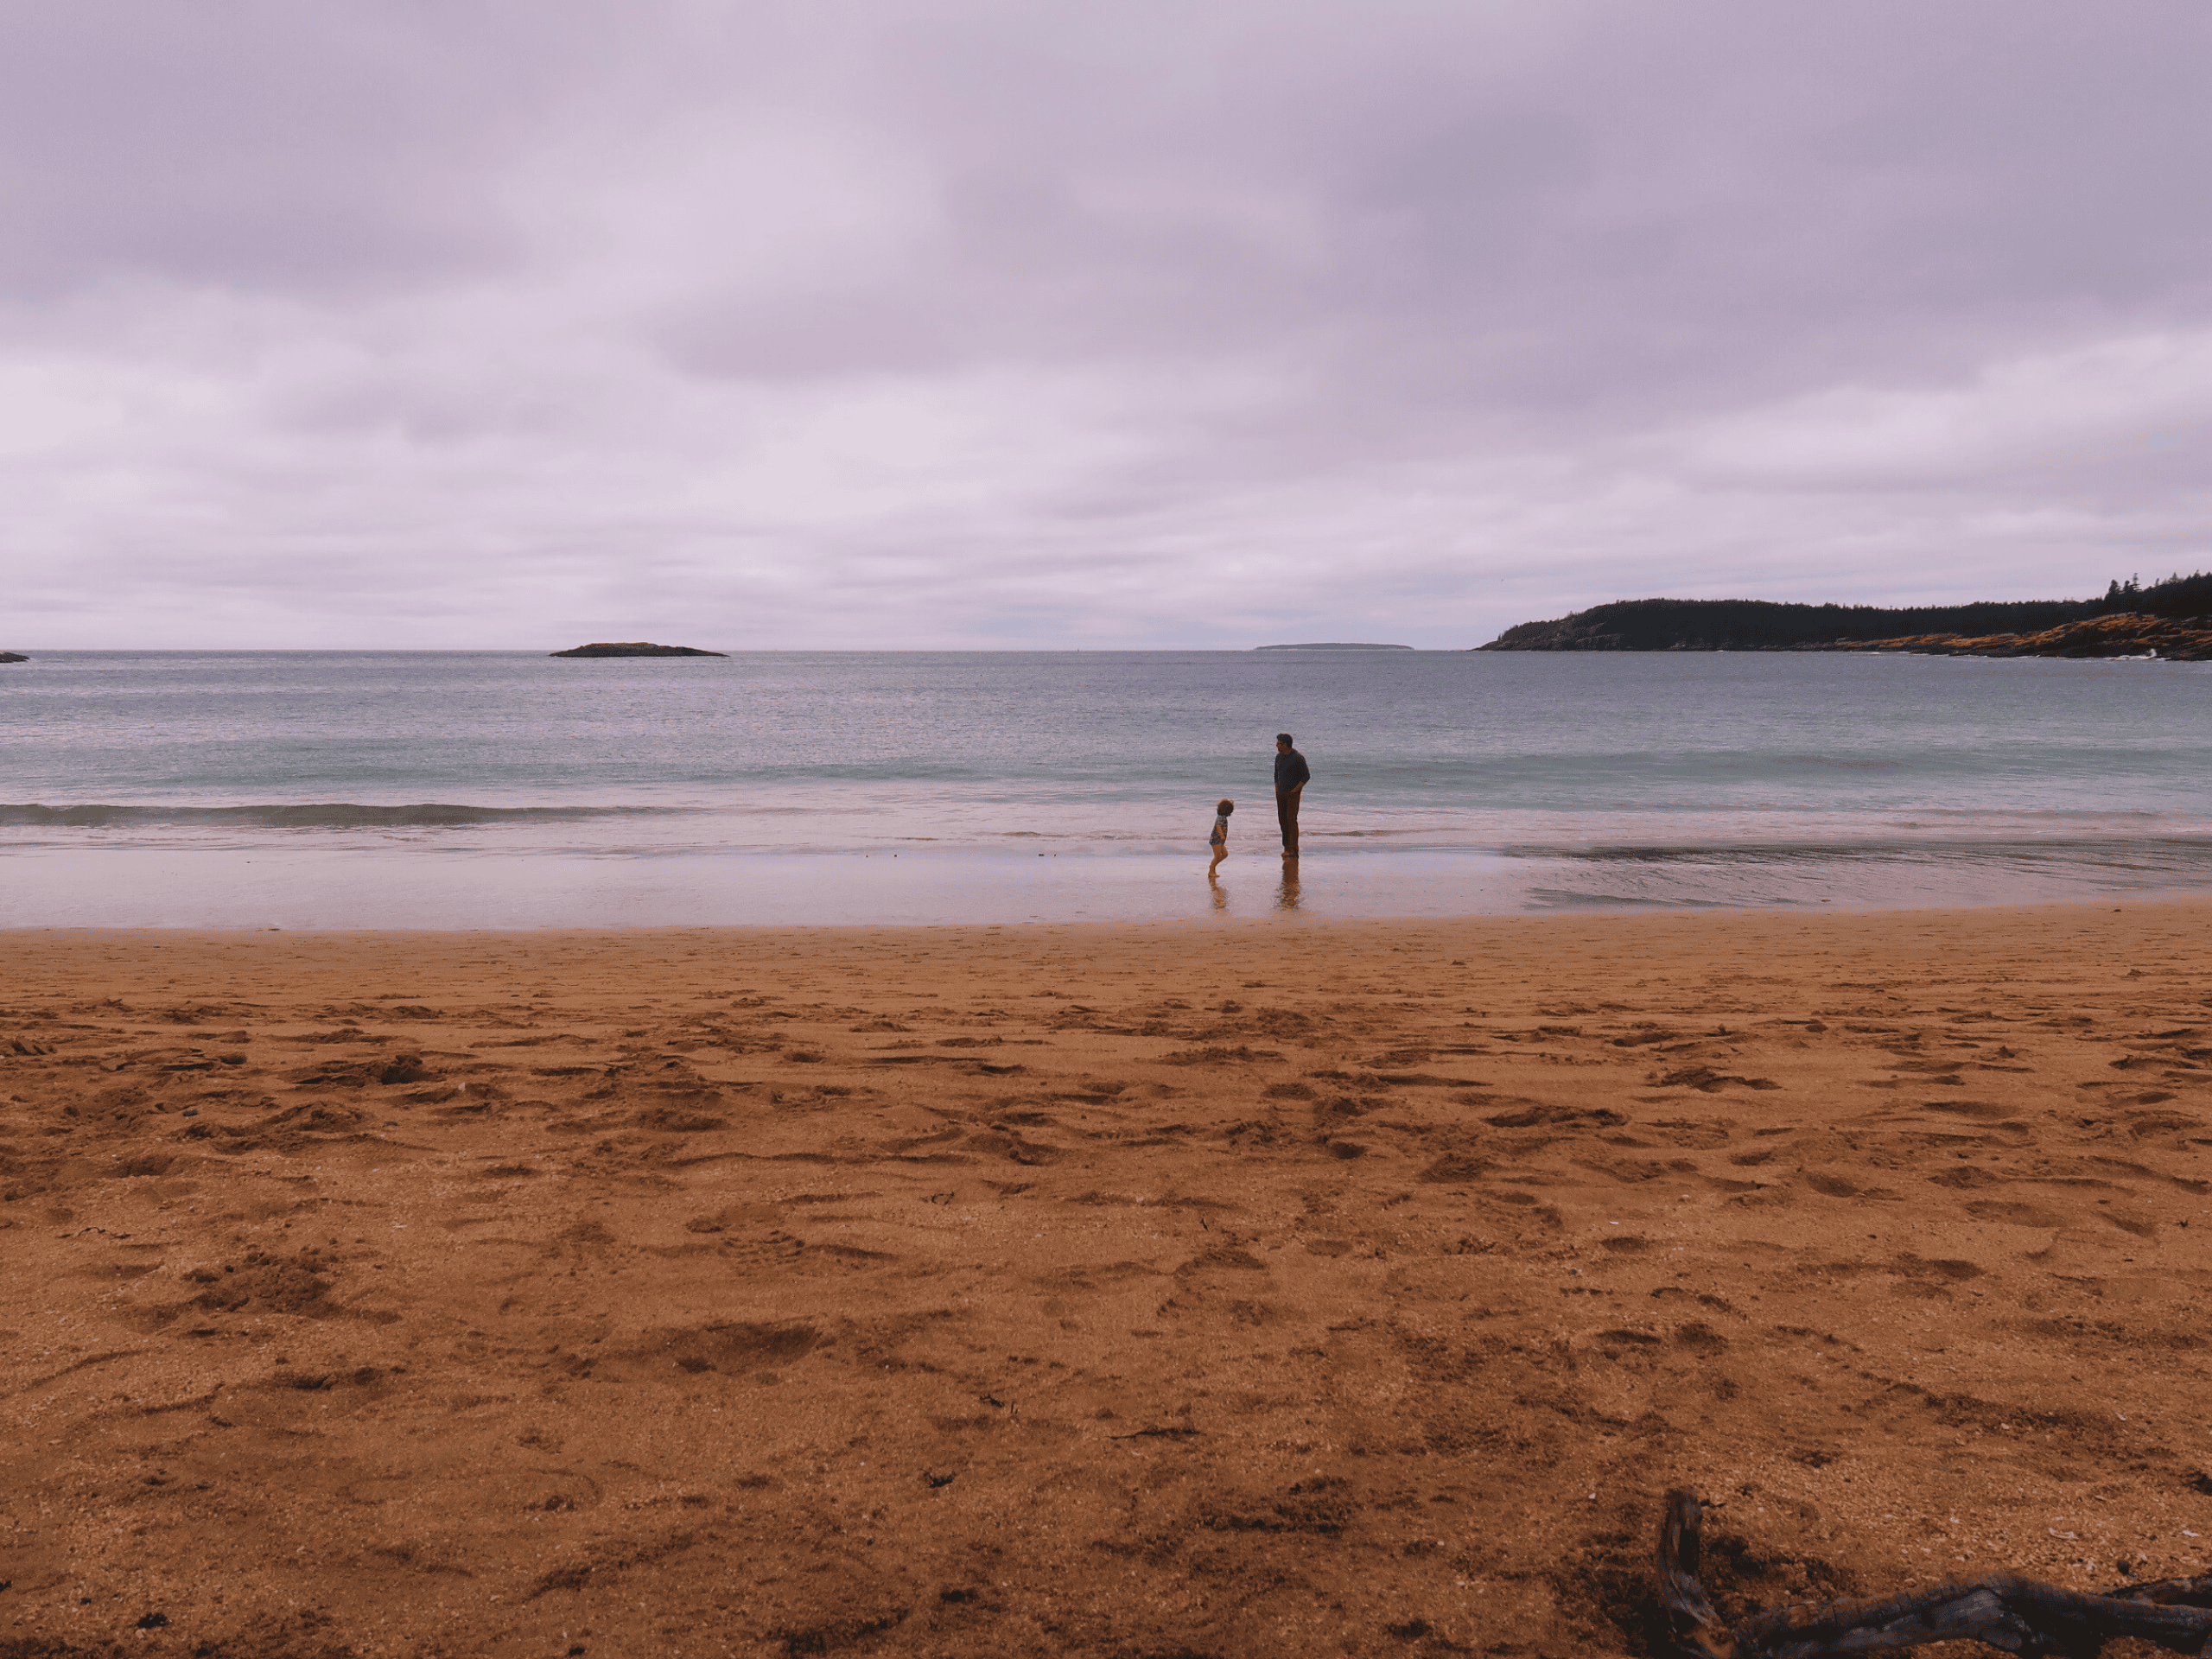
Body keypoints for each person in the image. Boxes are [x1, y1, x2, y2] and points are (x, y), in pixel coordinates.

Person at [1273, 733, 1309, 858]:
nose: (1277, 745)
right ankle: (1287, 847)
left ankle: (1293, 848)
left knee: (1291, 820)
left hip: (1292, 795)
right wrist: (1277, 788)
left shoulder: (1298, 758)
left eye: (1279, 743)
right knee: (1282, 821)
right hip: (1280, 794)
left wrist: (1296, 790)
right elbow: (1276, 774)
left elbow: (1306, 776)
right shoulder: (1279, 757)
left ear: (1285, 744)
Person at [1207, 798, 1234, 877]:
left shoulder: (1223, 817)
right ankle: (1211, 870)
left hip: (1220, 841)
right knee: (1218, 856)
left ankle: (1213, 868)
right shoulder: (1220, 817)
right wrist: (1222, 835)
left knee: (1225, 854)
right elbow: (1218, 826)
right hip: (1216, 840)